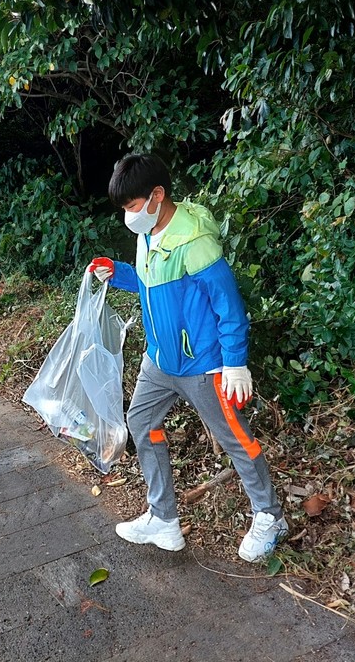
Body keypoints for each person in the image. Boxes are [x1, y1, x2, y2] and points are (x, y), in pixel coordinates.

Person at [87, 153, 286, 562]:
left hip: (203, 365)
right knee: (141, 422)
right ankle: (163, 519)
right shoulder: (148, 233)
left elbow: (228, 305)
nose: (128, 216)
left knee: (235, 439)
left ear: (156, 196)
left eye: (131, 206)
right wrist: (117, 272)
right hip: (160, 361)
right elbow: (150, 284)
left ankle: (270, 516)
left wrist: (234, 362)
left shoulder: (194, 240)